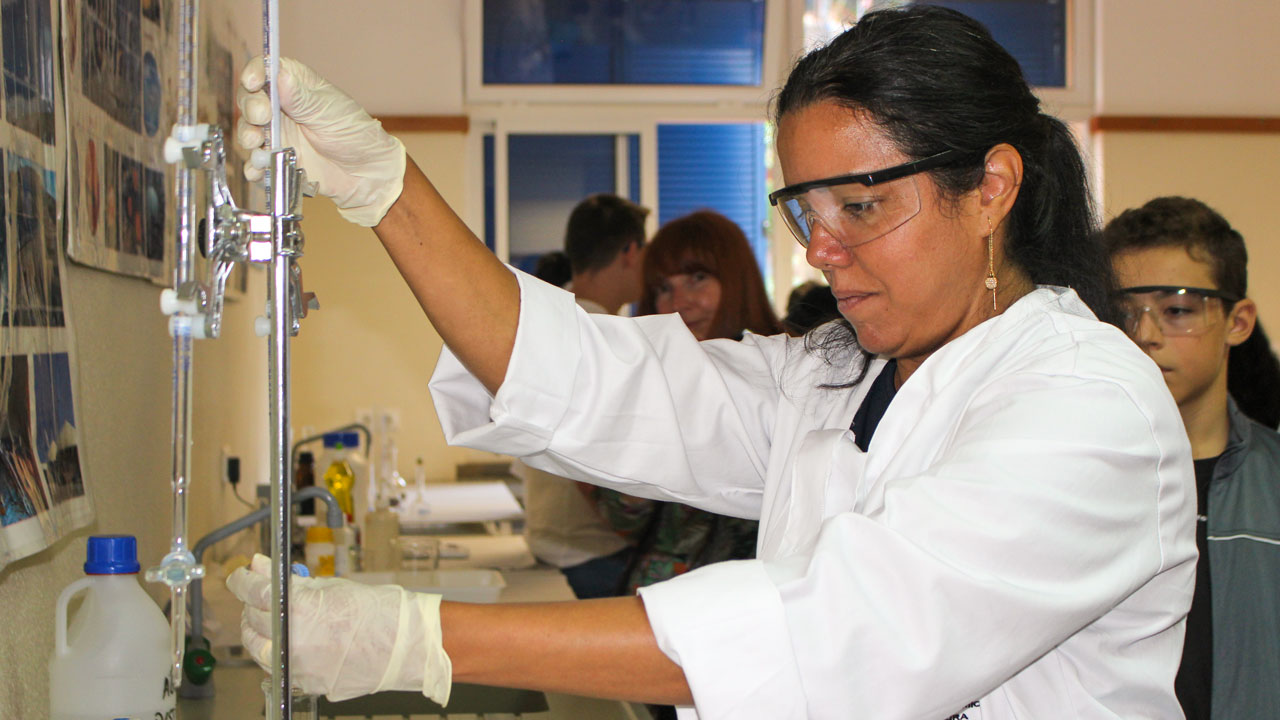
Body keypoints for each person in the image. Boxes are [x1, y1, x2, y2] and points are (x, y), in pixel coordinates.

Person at [228, 7, 1195, 717]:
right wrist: (388, 191)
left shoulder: (1088, 405)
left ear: (990, 188)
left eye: (859, 208)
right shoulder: (838, 374)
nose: (821, 251)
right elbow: (596, 378)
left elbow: (834, 635)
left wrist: (417, 638)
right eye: (805, 215)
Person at [1103, 196, 1280, 720]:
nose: (1146, 335)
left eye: (1177, 309)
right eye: (1124, 312)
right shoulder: (1074, 482)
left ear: (1238, 321)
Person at [594, 210, 778, 597]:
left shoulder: (787, 376)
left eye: (698, 279)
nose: (680, 303)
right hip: (655, 607)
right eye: (663, 288)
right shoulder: (655, 380)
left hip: (748, 612)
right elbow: (622, 519)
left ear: (736, 280)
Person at [516, 194, 649, 599]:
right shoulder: (609, 338)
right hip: (596, 554)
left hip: (550, 542)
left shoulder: (546, 322)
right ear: (629, 252)